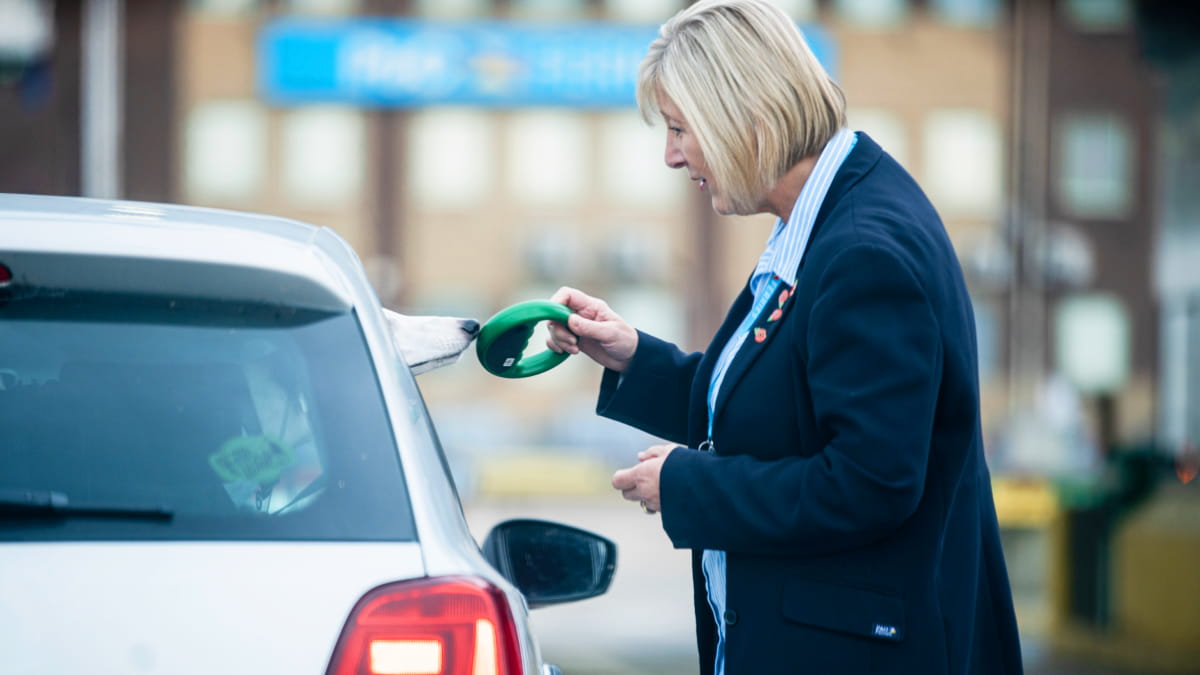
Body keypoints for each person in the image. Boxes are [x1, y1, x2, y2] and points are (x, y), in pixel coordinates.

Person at [544, 1, 1024, 673]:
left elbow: (870, 483)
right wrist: (633, 358)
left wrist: (689, 486)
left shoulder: (863, 252)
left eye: (682, 129)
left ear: (745, 116)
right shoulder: (822, 219)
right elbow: (778, 410)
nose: (671, 155)